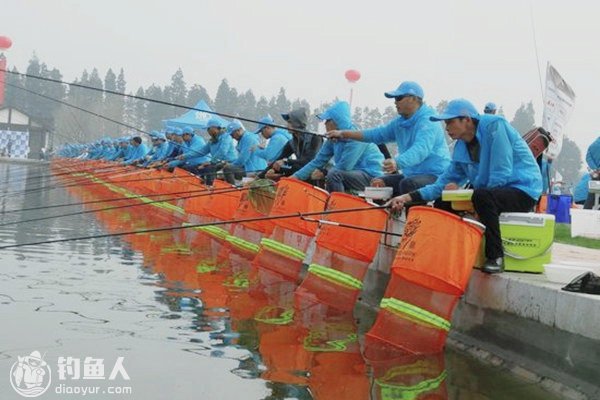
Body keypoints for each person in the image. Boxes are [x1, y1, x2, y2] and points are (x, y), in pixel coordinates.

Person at [388, 99, 543, 274]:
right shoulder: (461, 147)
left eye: (450, 122)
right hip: (489, 192)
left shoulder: (495, 127)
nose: (447, 128)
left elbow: (501, 172)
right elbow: (441, 184)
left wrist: (477, 203)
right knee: (443, 200)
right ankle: (444, 251)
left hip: (523, 189)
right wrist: (405, 197)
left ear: (467, 120)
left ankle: (495, 256)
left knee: (482, 196)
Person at [326, 81, 450, 197]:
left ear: (413, 98)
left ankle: (415, 220)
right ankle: (384, 218)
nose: (395, 102)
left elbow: (420, 150)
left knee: (408, 184)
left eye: (398, 98)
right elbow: (375, 135)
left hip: (436, 175)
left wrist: (397, 162)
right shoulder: (400, 123)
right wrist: (343, 133)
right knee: (378, 182)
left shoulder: (428, 121)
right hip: (412, 174)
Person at [292, 101, 383, 193]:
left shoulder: (356, 138)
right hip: (353, 175)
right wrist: (294, 177)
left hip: (372, 177)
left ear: (336, 122)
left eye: (327, 120)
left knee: (334, 174)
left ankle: (336, 204)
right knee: (332, 174)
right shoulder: (333, 139)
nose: (325, 124)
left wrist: (324, 172)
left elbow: (345, 167)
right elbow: (317, 161)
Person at [263, 107, 323, 182]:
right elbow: (278, 159)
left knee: (293, 167)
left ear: (297, 124)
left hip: (318, 173)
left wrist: (286, 161)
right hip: (301, 172)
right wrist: (262, 175)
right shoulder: (292, 142)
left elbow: (309, 160)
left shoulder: (315, 138)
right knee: (281, 168)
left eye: (289, 122)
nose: (287, 125)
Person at [193, 117, 238, 185]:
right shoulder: (212, 140)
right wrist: (184, 156)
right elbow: (201, 152)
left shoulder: (226, 137)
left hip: (230, 162)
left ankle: (211, 187)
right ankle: (204, 185)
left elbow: (222, 151)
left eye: (208, 129)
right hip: (218, 162)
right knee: (199, 168)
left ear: (215, 128)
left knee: (210, 168)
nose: (207, 131)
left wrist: (211, 162)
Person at [222, 119, 267, 184]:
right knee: (226, 166)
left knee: (227, 169)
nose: (232, 137)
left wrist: (230, 164)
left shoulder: (248, 139)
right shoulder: (245, 138)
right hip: (249, 168)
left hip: (254, 170)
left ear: (238, 131)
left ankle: (233, 188)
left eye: (232, 135)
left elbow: (242, 159)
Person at [583, 136, 600, 209]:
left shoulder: (593, 145)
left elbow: (588, 157)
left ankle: (585, 213)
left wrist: (595, 168)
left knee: (592, 196)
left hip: (596, 174)